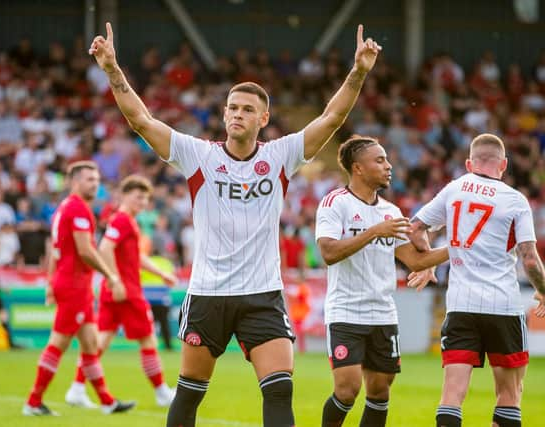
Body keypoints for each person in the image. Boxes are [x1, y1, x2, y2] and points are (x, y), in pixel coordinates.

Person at [89, 21, 382, 427]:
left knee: (280, 388)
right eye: (232, 108)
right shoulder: (198, 155)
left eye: (247, 109)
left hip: (262, 294)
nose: (237, 114)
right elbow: (141, 121)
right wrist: (111, 69)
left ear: (264, 118)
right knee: (190, 392)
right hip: (208, 292)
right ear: (224, 114)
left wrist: (359, 71)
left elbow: (331, 119)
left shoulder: (281, 155)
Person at [408, 133, 545, 427]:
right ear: (504, 165)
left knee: (452, 395)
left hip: (461, 306)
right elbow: (529, 258)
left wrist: (429, 261)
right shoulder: (515, 200)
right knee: (510, 394)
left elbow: (416, 228)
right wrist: (544, 291)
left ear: (470, 163)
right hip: (503, 306)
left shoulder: (454, 189)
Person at [315, 135, 449, 427]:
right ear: (358, 168)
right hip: (346, 311)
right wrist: (374, 231)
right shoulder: (335, 203)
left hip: (383, 314)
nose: (389, 166)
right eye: (380, 160)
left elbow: (415, 261)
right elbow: (328, 252)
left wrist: (457, 247)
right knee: (347, 390)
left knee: (379, 391)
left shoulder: (391, 212)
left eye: (387, 159)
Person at [22, 161, 135, 416]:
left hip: (73, 283)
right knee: (58, 343)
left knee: (90, 344)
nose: (95, 184)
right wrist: (111, 276)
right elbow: (85, 251)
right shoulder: (78, 209)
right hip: (74, 285)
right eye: (89, 180)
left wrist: (51, 282)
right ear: (75, 182)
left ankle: (107, 401)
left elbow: (56, 249)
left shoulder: (65, 208)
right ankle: (33, 401)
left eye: (97, 180)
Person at [65, 174, 177, 408]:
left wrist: (161, 274)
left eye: (145, 199)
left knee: (100, 342)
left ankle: (77, 388)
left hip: (114, 289)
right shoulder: (122, 220)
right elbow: (104, 248)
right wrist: (115, 280)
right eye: (138, 197)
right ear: (124, 196)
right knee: (148, 339)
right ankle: (161, 393)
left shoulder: (127, 221)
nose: (142, 203)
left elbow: (136, 257)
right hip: (126, 290)